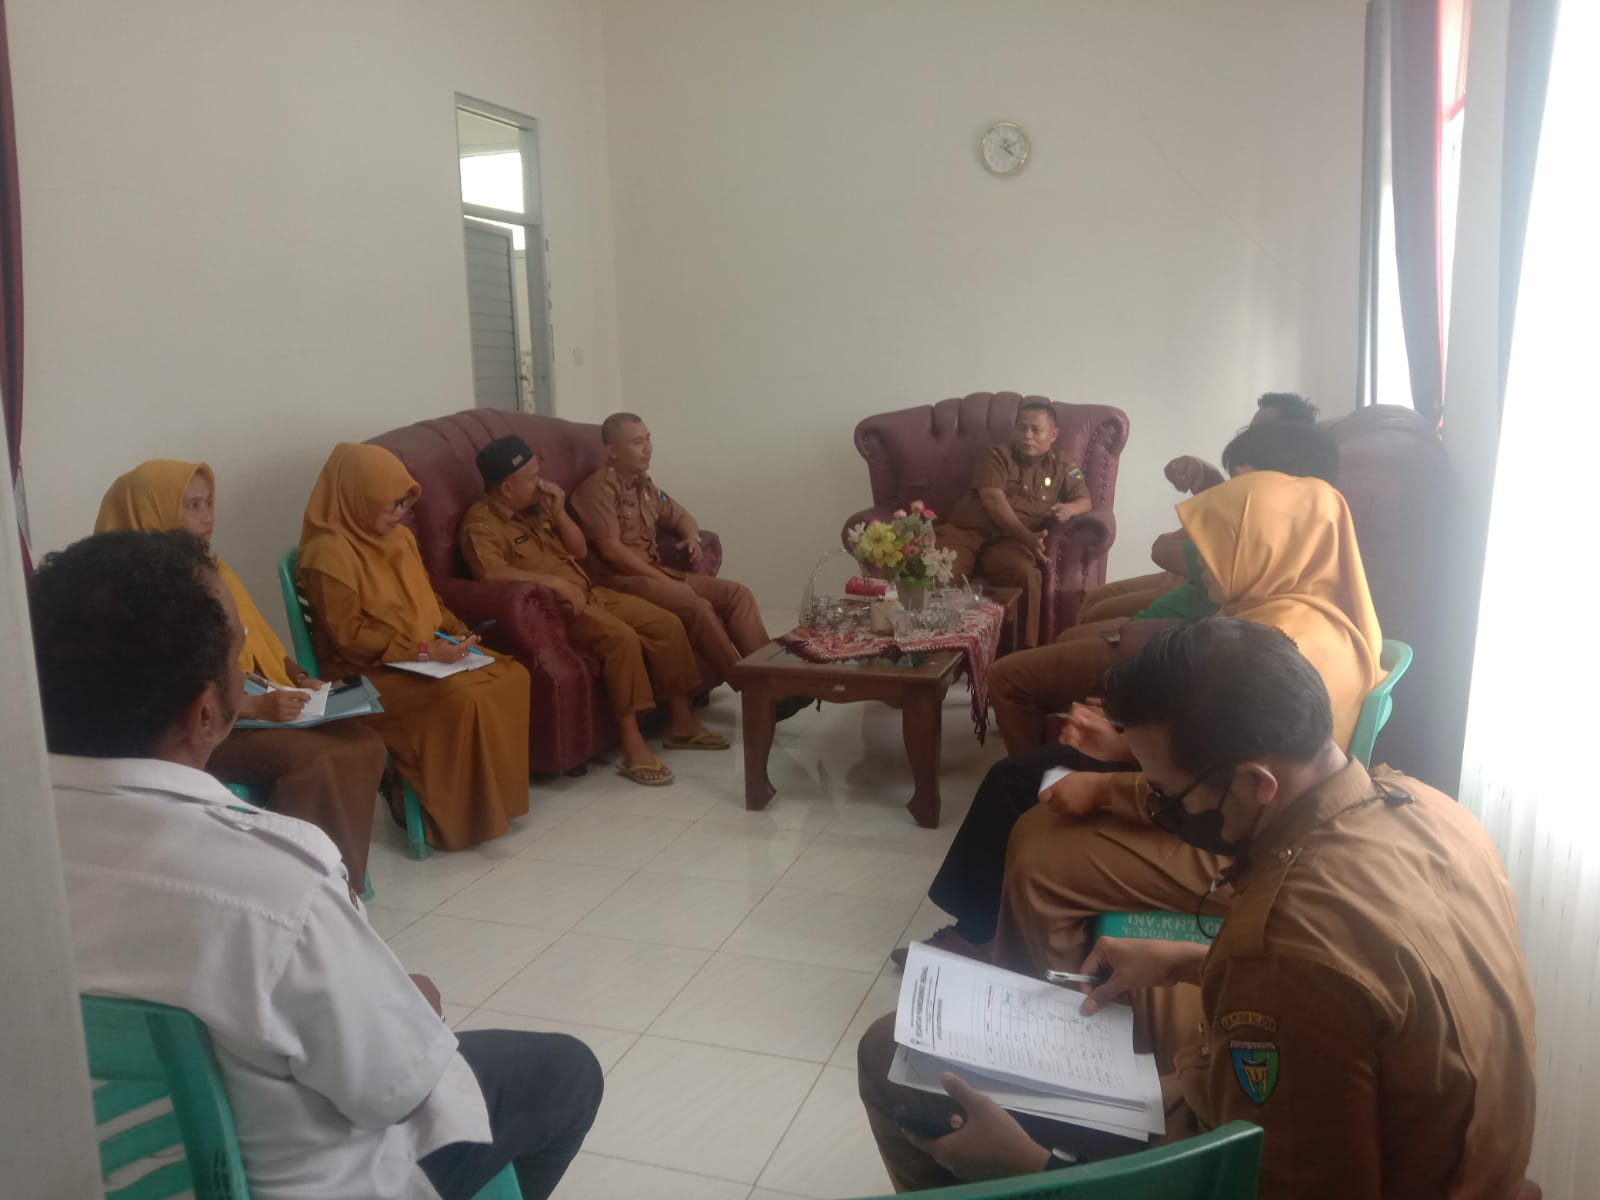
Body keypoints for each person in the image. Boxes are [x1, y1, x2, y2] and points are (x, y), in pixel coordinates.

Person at [858, 619, 1536, 1198]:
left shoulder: (1284, 947)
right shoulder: (1432, 811)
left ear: (1255, 782)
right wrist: (1188, 960)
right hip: (1440, 1160)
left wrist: (1031, 1167)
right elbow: (1366, 1005)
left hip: (1319, 1165)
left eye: (1168, 794)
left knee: (890, 1054)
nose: (1160, 809)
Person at [34, 529, 602, 1200]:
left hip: (86, 1172)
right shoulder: (272, 884)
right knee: (563, 1073)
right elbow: (394, 1087)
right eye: (239, 653)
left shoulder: (23, 851)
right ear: (209, 712)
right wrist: (407, 1006)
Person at [894, 447, 1374, 967]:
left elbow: (1235, 785)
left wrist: (1109, 781)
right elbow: (1227, 753)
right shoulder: (1298, 610)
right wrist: (1123, 741)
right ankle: (987, 930)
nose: (1201, 561)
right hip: (1232, 800)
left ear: (1268, 547)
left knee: (1026, 801)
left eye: (1218, 546)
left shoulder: (1286, 637)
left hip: (1240, 834)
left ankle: (1000, 953)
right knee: (1025, 778)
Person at [94, 459, 386, 885]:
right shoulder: (131, 592)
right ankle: (296, 885)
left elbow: (259, 641)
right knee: (315, 759)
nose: (207, 517)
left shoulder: (214, 569)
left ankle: (341, 878)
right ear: (149, 511)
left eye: (209, 503)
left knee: (364, 741)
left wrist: (298, 676)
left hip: (249, 705)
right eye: (192, 505)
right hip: (192, 728)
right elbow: (164, 688)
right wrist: (254, 705)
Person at [987, 420, 1343, 753]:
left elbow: (1230, 767)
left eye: (1240, 488)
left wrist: (1122, 747)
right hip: (1178, 655)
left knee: (1009, 680)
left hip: (1176, 670)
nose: (1028, 436)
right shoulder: (1305, 567)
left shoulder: (1281, 643)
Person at [297, 443, 532, 849]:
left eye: (404, 503)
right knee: (462, 698)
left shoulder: (399, 539)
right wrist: (424, 652)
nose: (398, 514)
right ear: (356, 497)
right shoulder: (327, 555)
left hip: (420, 656)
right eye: (389, 504)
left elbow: (430, 601)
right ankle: (448, 816)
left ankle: (493, 806)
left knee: (510, 675)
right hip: (363, 674)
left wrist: (458, 632)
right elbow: (351, 637)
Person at [459, 434, 728, 787]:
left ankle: (682, 721)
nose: (541, 483)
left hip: (589, 591)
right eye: (532, 477)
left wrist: (558, 512)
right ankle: (632, 744)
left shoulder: (536, 507)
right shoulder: (481, 523)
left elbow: (579, 552)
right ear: (507, 489)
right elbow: (489, 573)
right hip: (557, 608)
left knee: (665, 623)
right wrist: (553, 584)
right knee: (622, 640)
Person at [1076, 391, 1320, 625]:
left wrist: (1209, 498)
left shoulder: (1277, 517)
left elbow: (1163, 548)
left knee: (1083, 630)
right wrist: (1208, 478)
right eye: (1248, 431)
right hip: (1190, 585)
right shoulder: (1259, 495)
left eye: (1258, 433)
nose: (1245, 441)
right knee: (1094, 603)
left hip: (1187, 620)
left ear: (1289, 445)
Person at [934, 399, 1092, 650]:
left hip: (1009, 544)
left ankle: (1022, 660)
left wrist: (1070, 508)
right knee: (939, 576)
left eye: (1035, 430)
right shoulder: (997, 455)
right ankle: (937, 657)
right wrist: (1028, 538)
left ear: (1053, 434)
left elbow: (1085, 500)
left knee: (1026, 574)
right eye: (1021, 428)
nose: (1027, 435)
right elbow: (993, 500)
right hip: (966, 533)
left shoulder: (1065, 465)